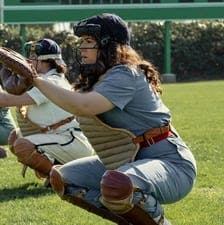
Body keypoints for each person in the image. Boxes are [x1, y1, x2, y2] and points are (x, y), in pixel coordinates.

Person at [28, 14, 196, 224]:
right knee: (62, 179)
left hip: (169, 162)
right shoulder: (98, 78)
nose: (82, 47)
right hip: (126, 160)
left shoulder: (125, 74)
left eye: (88, 41)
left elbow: (84, 105)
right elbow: (73, 100)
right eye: (82, 41)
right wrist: (24, 82)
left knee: (117, 184)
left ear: (109, 45)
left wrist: (34, 80)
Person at [0, 39, 94, 182]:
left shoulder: (49, 82)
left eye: (33, 57)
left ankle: (62, 179)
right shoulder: (44, 79)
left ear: (46, 60)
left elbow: (7, 100)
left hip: (71, 140)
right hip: (60, 136)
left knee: (22, 145)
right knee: (15, 137)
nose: (28, 61)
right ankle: (57, 167)